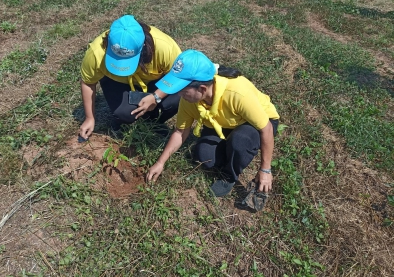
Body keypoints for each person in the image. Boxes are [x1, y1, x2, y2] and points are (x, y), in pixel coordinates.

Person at [146, 50, 280, 197]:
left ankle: (229, 176)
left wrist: (265, 169)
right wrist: (160, 162)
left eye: (183, 91)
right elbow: (180, 132)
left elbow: (266, 129)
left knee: (241, 142)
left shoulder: (237, 93)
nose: (179, 95)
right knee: (205, 156)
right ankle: (233, 151)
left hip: (256, 123)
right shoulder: (189, 101)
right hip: (224, 123)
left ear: (202, 89)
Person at [79, 15, 182, 140]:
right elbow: (88, 83)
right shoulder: (96, 53)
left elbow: (180, 76)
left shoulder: (165, 47)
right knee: (124, 113)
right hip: (118, 83)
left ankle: (153, 121)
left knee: (177, 98)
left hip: (155, 82)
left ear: (144, 46)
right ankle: (124, 119)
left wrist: (156, 96)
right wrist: (90, 118)